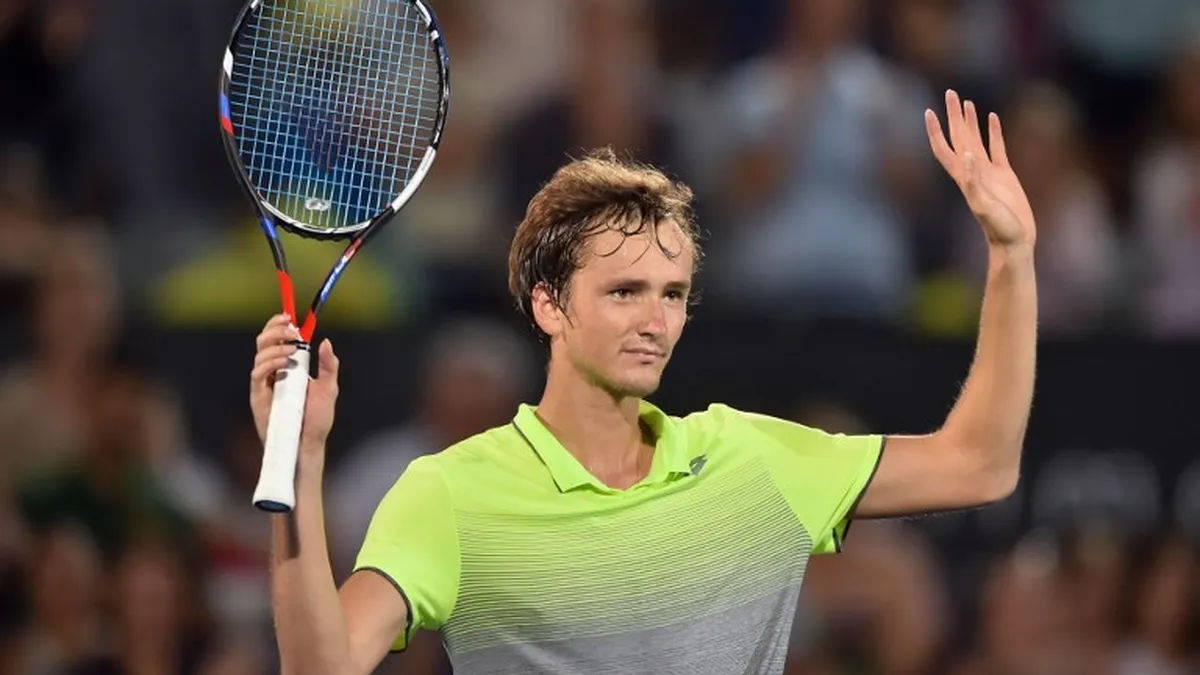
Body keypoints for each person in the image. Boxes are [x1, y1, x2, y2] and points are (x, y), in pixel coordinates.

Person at [248, 90, 1037, 675]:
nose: (655, 319)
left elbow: (979, 463)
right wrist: (300, 464)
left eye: (672, 294)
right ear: (549, 305)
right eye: (624, 291)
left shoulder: (754, 460)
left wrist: (1010, 259)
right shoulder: (448, 494)